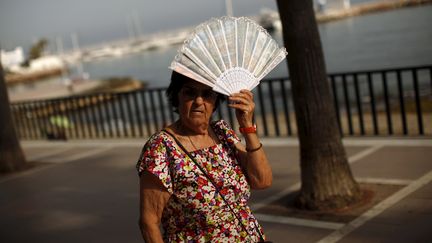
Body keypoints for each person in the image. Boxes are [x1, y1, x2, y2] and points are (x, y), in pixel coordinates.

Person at [136, 71, 273, 242]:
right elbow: (149, 222)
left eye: (207, 94)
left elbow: (262, 180)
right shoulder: (161, 147)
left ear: (215, 100)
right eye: (190, 92)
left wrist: (247, 126)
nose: (199, 101)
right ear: (176, 96)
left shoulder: (222, 133)